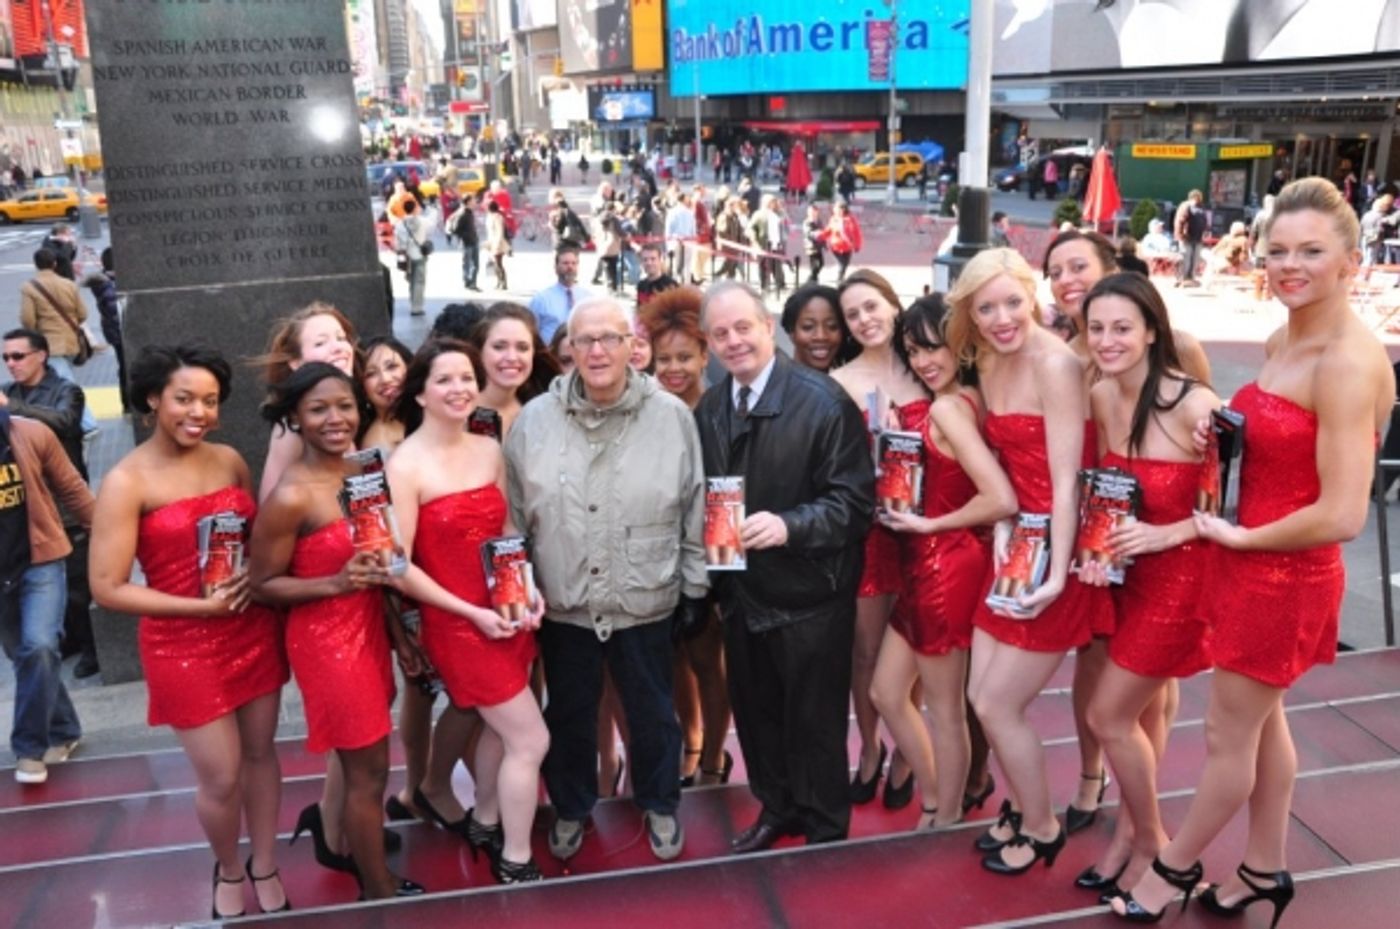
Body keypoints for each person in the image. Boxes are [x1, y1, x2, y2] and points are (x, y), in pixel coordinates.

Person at [1111, 178, 1395, 922]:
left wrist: (1240, 536)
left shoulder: (1348, 360)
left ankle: (1171, 868)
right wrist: (1228, 442)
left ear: (1351, 261)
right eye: (1276, 250)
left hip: (1286, 573)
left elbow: (1340, 513)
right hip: (1246, 559)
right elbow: (1278, 449)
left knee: (1224, 735)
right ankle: (1264, 871)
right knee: (1265, 726)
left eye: (1311, 251)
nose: (1289, 264)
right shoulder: (1283, 336)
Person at [88, 345, 290, 918]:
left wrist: (256, 572)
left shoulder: (228, 460)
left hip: (249, 629)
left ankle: (267, 861)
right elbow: (107, 586)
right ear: (153, 399)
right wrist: (199, 610)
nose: (198, 411)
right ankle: (228, 867)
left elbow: (250, 540)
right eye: (184, 399)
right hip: (182, 645)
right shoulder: (126, 481)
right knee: (221, 777)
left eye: (210, 400)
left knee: (261, 755)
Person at [504, 297, 706, 864]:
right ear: (567, 348)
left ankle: (659, 801)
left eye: (609, 339)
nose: (597, 351)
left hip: (646, 596)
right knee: (569, 714)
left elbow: (694, 504)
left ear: (630, 345)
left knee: (651, 714)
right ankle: (571, 806)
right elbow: (514, 513)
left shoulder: (670, 417)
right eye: (584, 340)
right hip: (564, 601)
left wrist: (695, 585)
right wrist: (519, 587)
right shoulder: (535, 421)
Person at [694, 281, 875, 852]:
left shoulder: (825, 403)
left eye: (742, 328)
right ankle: (777, 809)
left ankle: (824, 829)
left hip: (810, 597)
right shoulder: (713, 405)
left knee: (816, 723)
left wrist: (789, 524)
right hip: (742, 592)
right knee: (757, 715)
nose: (733, 342)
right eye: (720, 333)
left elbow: (854, 505)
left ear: (767, 324)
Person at [946, 249, 1102, 876]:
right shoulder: (985, 359)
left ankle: (1042, 827)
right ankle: (1022, 805)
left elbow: (1067, 484)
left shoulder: (1056, 365)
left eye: (1013, 301)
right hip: (1014, 547)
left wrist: (1059, 574)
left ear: (1033, 295)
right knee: (980, 696)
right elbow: (1008, 471)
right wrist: (1009, 533)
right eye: (987, 308)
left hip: (1055, 552)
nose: (1003, 317)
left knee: (999, 705)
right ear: (971, 315)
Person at [249, 363, 423, 901]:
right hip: (328, 645)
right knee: (368, 772)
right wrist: (333, 582)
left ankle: (354, 851)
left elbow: (374, 566)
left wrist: (398, 632)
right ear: (295, 418)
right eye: (318, 409)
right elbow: (262, 586)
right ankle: (378, 887)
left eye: (344, 405)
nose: (335, 418)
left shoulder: (361, 472)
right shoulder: (290, 496)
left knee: (365, 767)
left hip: (370, 630)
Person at [1073, 272, 1217, 903]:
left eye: (1122, 328)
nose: (1107, 341)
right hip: (1123, 580)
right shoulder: (1103, 396)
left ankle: (1154, 842)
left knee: (1107, 715)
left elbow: (1231, 514)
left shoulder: (1197, 406)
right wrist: (1095, 548)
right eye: (1096, 328)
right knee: (1142, 713)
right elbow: (1109, 491)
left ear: (1153, 330)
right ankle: (1125, 839)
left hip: (1182, 582)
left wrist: (1165, 535)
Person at [388, 339, 550, 884]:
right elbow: (398, 566)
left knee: (501, 735)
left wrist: (525, 586)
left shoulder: (487, 448)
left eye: (466, 378)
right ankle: (517, 857)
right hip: (459, 625)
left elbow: (505, 530)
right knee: (532, 739)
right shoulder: (405, 465)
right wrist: (472, 613)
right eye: (445, 380)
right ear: (420, 392)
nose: (459, 389)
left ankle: (484, 820)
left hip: (506, 613)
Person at [870, 295, 1017, 831]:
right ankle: (938, 798)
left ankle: (944, 812)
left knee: (943, 706)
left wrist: (932, 524)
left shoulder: (950, 408)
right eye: (914, 349)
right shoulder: (970, 399)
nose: (926, 359)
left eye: (934, 346)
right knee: (887, 692)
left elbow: (1000, 497)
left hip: (942, 565)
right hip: (931, 564)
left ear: (960, 344)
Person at [831, 270, 931, 808]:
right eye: (853, 314)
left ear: (893, 304)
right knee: (867, 651)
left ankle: (906, 750)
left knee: (914, 645)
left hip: (928, 530)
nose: (866, 319)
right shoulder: (841, 380)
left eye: (873, 306)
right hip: (872, 531)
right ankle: (868, 747)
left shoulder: (928, 367)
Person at [638, 288, 733, 787]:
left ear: (704, 356)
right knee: (673, 661)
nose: (673, 368)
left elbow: (730, 495)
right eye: (663, 359)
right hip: (660, 558)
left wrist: (720, 575)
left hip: (716, 558)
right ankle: (691, 746)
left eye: (684, 357)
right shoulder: (647, 412)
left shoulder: (721, 410)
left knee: (708, 662)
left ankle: (716, 756)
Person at [1, 407, 91, 787]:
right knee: (27, 659)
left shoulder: (30, 434)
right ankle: (65, 727)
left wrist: (111, 537)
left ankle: (28, 749)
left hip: (41, 560)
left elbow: (72, 488)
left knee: (38, 647)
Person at [1, 329, 97, 679]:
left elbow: (65, 423)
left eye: (18, 356)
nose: (11, 364)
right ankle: (67, 642)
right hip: (30, 509)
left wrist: (13, 410)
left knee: (77, 585)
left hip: (66, 505)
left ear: (41, 355)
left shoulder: (66, 390)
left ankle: (91, 649)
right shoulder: (9, 393)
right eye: (6, 358)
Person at [256, 303, 359, 502]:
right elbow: (270, 506)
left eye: (341, 338)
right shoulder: (291, 427)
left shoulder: (361, 400)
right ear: (296, 363)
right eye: (321, 343)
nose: (338, 347)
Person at [469, 302, 561, 438]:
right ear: (479, 350)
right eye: (499, 347)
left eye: (522, 348)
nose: (512, 357)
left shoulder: (545, 409)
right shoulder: (459, 411)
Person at [19, 249, 88, 383]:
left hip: (49, 343)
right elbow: (83, 313)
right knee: (62, 379)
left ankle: (78, 404)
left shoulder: (29, 287)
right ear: (54, 264)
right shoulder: (69, 285)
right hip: (71, 341)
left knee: (64, 384)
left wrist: (35, 334)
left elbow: (28, 319)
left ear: (36, 265)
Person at [84, 247, 129, 413]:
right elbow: (115, 310)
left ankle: (128, 402)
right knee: (126, 367)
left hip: (114, 331)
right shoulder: (108, 285)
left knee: (124, 366)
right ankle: (128, 403)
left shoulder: (103, 281)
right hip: (120, 331)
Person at [780, 284, 855, 373]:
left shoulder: (849, 382)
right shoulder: (776, 383)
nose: (821, 336)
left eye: (832, 326)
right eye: (808, 327)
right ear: (791, 331)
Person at [358, 336, 412, 453]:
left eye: (391, 366)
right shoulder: (375, 446)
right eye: (371, 374)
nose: (385, 379)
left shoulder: (433, 413)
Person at [528, 246, 592, 345]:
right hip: (550, 354)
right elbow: (530, 330)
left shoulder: (588, 298)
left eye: (574, 263)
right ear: (556, 267)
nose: (570, 267)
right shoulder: (541, 299)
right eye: (565, 263)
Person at [395, 198, 431, 317]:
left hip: (406, 256)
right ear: (415, 208)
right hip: (419, 254)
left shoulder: (400, 224)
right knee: (419, 281)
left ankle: (412, 301)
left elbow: (399, 242)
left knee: (411, 280)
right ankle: (417, 307)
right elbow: (432, 226)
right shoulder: (422, 221)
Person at [1173, 190, 1208, 287]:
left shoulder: (1201, 208)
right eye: (1196, 196)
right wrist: (1180, 236)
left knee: (1195, 259)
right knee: (1185, 258)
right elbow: (1180, 221)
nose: (1198, 198)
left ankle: (1191, 278)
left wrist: (1205, 233)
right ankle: (1182, 279)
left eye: (1199, 196)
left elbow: (1205, 222)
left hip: (1198, 238)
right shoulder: (1185, 206)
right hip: (1186, 237)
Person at [821, 201, 863, 282]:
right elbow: (828, 231)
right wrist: (820, 236)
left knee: (845, 264)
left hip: (847, 247)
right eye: (835, 209)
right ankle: (840, 280)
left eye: (837, 209)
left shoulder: (850, 219)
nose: (835, 210)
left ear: (843, 210)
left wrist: (858, 245)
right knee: (842, 264)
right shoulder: (833, 219)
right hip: (836, 247)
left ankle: (841, 278)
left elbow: (857, 233)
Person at [446, 193, 480, 291]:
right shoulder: (462, 213)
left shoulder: (469, 212)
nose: (475, 202)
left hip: (474, 240)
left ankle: (472, 282)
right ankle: (468, 282)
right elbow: (455, 229)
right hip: (467, 242)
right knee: (467, 264)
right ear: (468, 201)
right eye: (473, 200)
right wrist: (466, 235)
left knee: (475, 264)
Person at [636, 242, 678, 308]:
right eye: (645, 259)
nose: (649, 263)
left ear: (660, 259)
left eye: (653, 259)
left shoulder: (671, 285)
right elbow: (639, 310)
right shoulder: (641, 285)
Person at [484, 200, 511, 291]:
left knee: (499, 263)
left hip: (498, 243)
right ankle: (498, 281)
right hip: (492, 242)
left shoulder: (498, 217)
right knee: (495, 263)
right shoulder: (489, 217)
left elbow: (500, 231)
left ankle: (503, 282)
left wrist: (497, 243)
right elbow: (489, 232)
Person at [802, 204, 827, 283]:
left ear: (817, 212)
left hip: (819, 246)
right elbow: (808, 233)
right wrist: (817, 234)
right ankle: (812, 279)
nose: (812, 213)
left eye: (814, 212)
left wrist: (825, 244)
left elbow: (824, 232)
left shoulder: (819, 221)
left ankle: (813, 277)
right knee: (815, 265)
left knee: (821, 263)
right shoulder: (807, 222)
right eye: (810, 212)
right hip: (811, 246)